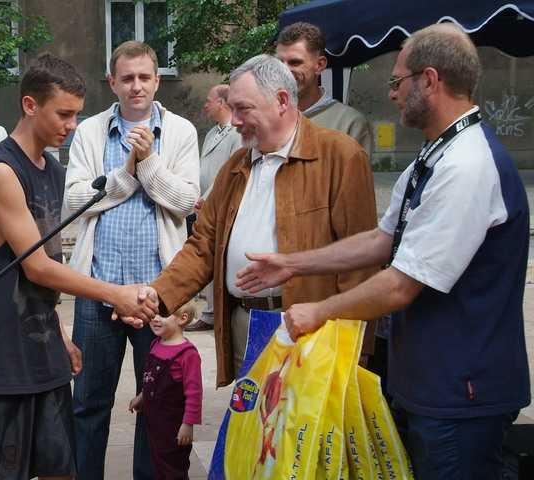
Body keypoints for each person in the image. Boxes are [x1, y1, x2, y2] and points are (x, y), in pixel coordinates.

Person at [235, 23, 530, 480]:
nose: (392, 95)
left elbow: (401, 284)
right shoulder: (436, 154)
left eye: (397, 81)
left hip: (461, 390)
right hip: (430, 381)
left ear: (430, 81)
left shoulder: (467, 165)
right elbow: (380, 239)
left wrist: (320, 311)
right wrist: (290, 264)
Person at [0, 53, 158, 480]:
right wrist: (115, 292)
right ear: (31, 105)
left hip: (38, 350)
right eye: (64, 114)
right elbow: (35, 267)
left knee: (60, 468)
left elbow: (50, 263)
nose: (72, 125)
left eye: (77, 114)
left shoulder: (52, 169)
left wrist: (60, 334)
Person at [134, 54, 378, 389]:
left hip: (310, 333)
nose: (234, 121)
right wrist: (156, 296)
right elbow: (202, 245)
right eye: (232, 108)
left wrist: (357, 349)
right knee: (252, 435)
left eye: (243, 108)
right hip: (243, 326)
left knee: (301, 439)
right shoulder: (237, 164)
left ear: (281, 101)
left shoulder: (340, 156)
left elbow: (360, 264)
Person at [64, 40, 199, 480]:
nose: (136, 86)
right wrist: (127, 173)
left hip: (157, 295)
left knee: (157, 406)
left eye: (144, 77)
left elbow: (184, 202)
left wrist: (149, 162)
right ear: (113, 83)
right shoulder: (90, 133)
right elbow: (74, 200)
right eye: (127, 78)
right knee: (88, 403)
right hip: (98, 291)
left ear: (157, 80)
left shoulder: (180, 132)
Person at [186, 84, 242, 332]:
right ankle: (209, 310)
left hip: (220, 205)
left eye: (209, 100)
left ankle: (213, 313)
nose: (205, 105)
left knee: (219, 255)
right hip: (203, 207)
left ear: (221, 102)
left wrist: (208, 197)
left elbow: (229, 172)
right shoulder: (212, 134)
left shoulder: (237, 134)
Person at [129, 299, 202, 480]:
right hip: (155, 422)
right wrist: (142, 396)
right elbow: (152, 378)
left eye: (163, 314)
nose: (156, 319)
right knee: (158, 464)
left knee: (174, 468)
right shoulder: (156, 344)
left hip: (174, 425)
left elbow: (194, 393)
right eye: (154, 314)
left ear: (182, 319)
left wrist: (188, 424)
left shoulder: (188, 354)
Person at [275, 22, 372, 158]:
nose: (284, 70)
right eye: (279, 63)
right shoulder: (266, 116)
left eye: (295, 62)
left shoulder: (349, 123)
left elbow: (356, 178)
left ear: (319, 65)